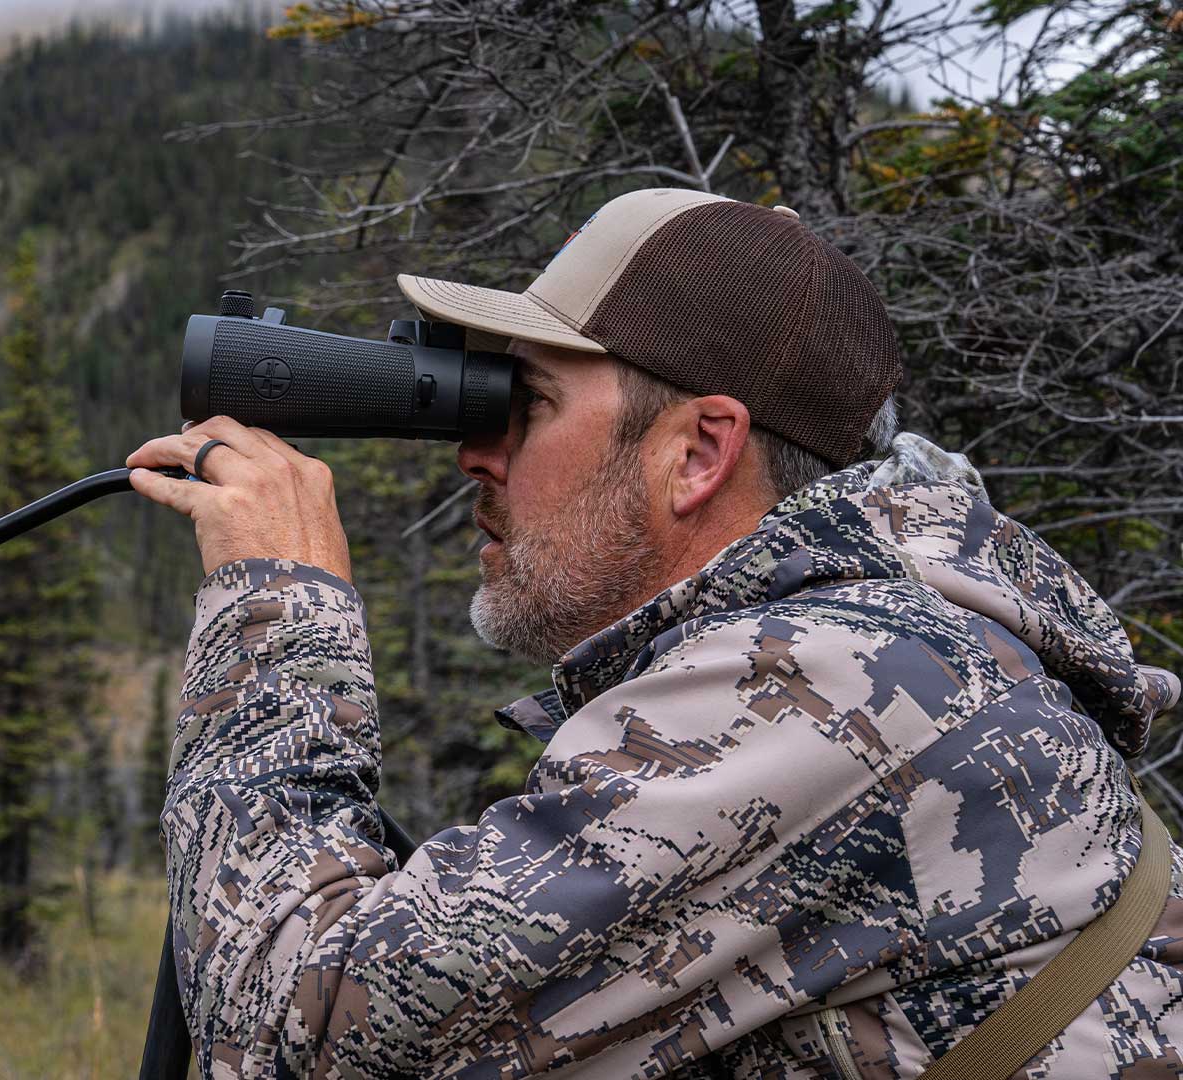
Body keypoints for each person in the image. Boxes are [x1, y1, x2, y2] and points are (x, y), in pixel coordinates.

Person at [125, 188, 1183, 1078]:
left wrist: (282, 601)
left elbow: (288, 1032)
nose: (472, 456)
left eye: (524, 403)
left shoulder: (835, 681)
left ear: (697, 453)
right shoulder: (911, 643)